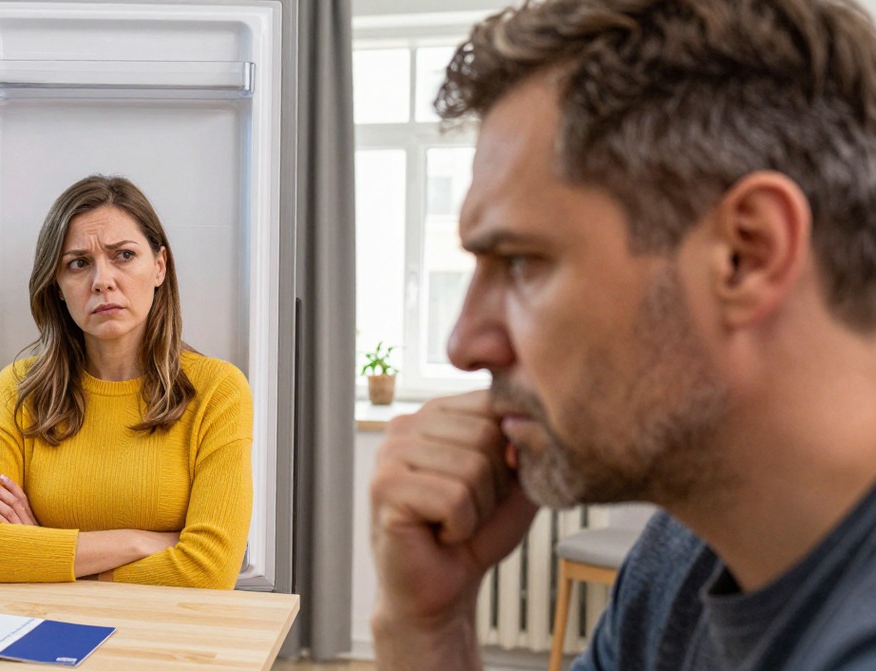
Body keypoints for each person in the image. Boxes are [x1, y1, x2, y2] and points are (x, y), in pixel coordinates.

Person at [370, 0, 876, 668]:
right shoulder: (687, 553)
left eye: (520, 263)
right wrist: (428, 629)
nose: (465, 343)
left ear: (746, 255)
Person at [0, 175, 253, 589]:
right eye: (78, 263)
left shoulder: (217, 390)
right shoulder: (19, 390)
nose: (102, 280)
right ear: (58, 287)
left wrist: (42, 550)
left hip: (165, 627)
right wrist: (139, 542)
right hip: (40, 621)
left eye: (124, 255)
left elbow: (210, 569)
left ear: (159, 266)